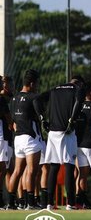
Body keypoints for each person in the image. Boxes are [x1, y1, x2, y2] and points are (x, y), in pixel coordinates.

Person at [34, 74, 86, 210]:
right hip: (67, 132)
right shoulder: (78, 89)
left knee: (54, 167)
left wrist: (42, 119)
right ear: (79, 83)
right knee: (69, 166)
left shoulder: (54, 89)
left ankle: (49, 203)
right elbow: (79, 102)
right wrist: (72, 120)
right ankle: (70, 203)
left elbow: (36, 100)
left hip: (53, 132)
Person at [7, 70, 42, 210]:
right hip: (30, 137)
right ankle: (30, 203)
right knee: (32, 171)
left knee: (17, 171)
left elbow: (13, 120)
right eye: (37, 83)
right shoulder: (34, 97)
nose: (38, 86)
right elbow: (40, 115)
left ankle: (10, 203)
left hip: (18, 138)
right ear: (32, 83)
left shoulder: (14, 98)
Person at [74, 81, 91, 209]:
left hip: (78, 144)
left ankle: (81, 200)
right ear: (90, 92)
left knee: (82, 174)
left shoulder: (77, 105)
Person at [0, 75, 13, 208]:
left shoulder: (11, 97)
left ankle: (10, 200)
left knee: (9, 169)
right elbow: (9, 119)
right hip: (3, 137)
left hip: (6, 137)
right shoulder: (2, 100)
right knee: (4, 168)